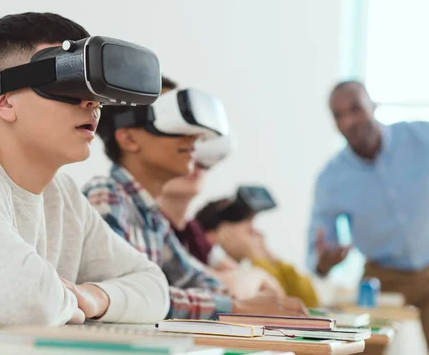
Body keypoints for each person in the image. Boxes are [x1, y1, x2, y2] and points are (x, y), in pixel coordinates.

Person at [0, 12, 169, 327]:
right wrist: (71, 304)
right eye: (68, 84)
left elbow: (155, 288)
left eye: (93, 94)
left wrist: (93, 297)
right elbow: (21, 301)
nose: (90, 104)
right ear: (5, 102)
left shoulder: (63, 196)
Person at [83, 81, 308, 320]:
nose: (195, 137)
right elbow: (130, 296)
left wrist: (252, 301)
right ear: (129, 139)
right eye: (172, 120)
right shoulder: (106, 195)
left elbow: (195, 280)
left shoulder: (152, 217)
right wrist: (236, 307)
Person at [307, 80, 429, 355]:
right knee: (359, 350)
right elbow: (319, 249)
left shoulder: (424, 138)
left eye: (356, 108)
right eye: (338, 114)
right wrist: (324, 263)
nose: (349, 120)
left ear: (373, 106)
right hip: (381, 281)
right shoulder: (331, 179)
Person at [159, 161, 285, 300]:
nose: (194, 164)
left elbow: (277, 292)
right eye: (248, 229)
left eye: (202, 161)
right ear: (213, 235)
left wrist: (267, 258)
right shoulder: (154, 227)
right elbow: (230, 290)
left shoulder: (193, 232)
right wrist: (256, 266)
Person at [195, 199, 320, 307]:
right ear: (212, 236)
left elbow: (310, 301)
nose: (255, 233)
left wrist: (271, 256)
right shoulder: (211, 274)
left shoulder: (247, 269)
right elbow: (280, 303)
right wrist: (257, 257)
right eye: (248, 229)